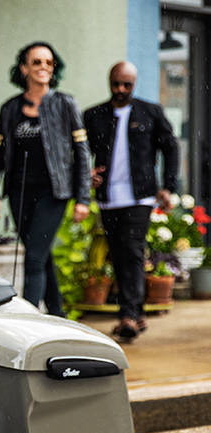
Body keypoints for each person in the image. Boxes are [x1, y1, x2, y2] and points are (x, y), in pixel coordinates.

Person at [0, 42, 91, 317]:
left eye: (48, 62)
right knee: (41, 257)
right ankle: (58, 315)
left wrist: (83, 198)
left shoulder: (64, 104)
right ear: (24, 68)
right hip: (19, 192)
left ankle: (27, 320)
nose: (43, 67)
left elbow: (81, 153)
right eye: (37, 62)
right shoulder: (10, 108)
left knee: (33, 258)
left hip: (54, 193)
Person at [83, 61, 178, 340]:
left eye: (127, 84)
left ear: (134, 84)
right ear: (109, 81)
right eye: (116, 84)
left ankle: (129, 315)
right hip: (108, 198)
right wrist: (86, 174)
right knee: (118, 253)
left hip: (141, 195)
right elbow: (78, 152)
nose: (121, 89)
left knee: (133, 251)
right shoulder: (95, 116)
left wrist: (168, 187)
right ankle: (135, 311)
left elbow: (170, 148)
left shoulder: (150, 113)